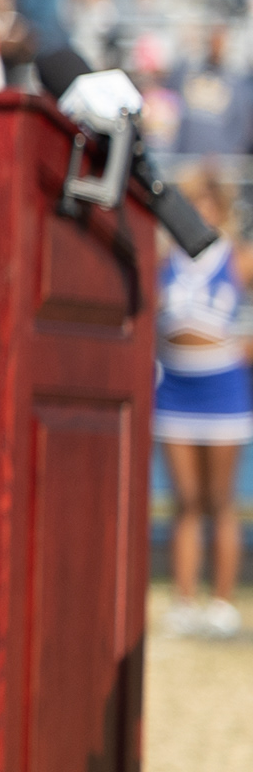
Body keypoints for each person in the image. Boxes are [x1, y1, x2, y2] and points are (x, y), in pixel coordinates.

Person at [157, 170, 246, 636]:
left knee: (219, 500)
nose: (200, 212)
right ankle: (185, 599)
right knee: (184, 502)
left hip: (223, 390)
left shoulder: (236, 258)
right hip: (174, 388)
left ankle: (223, 602)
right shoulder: (163, 260)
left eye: (208, 204)